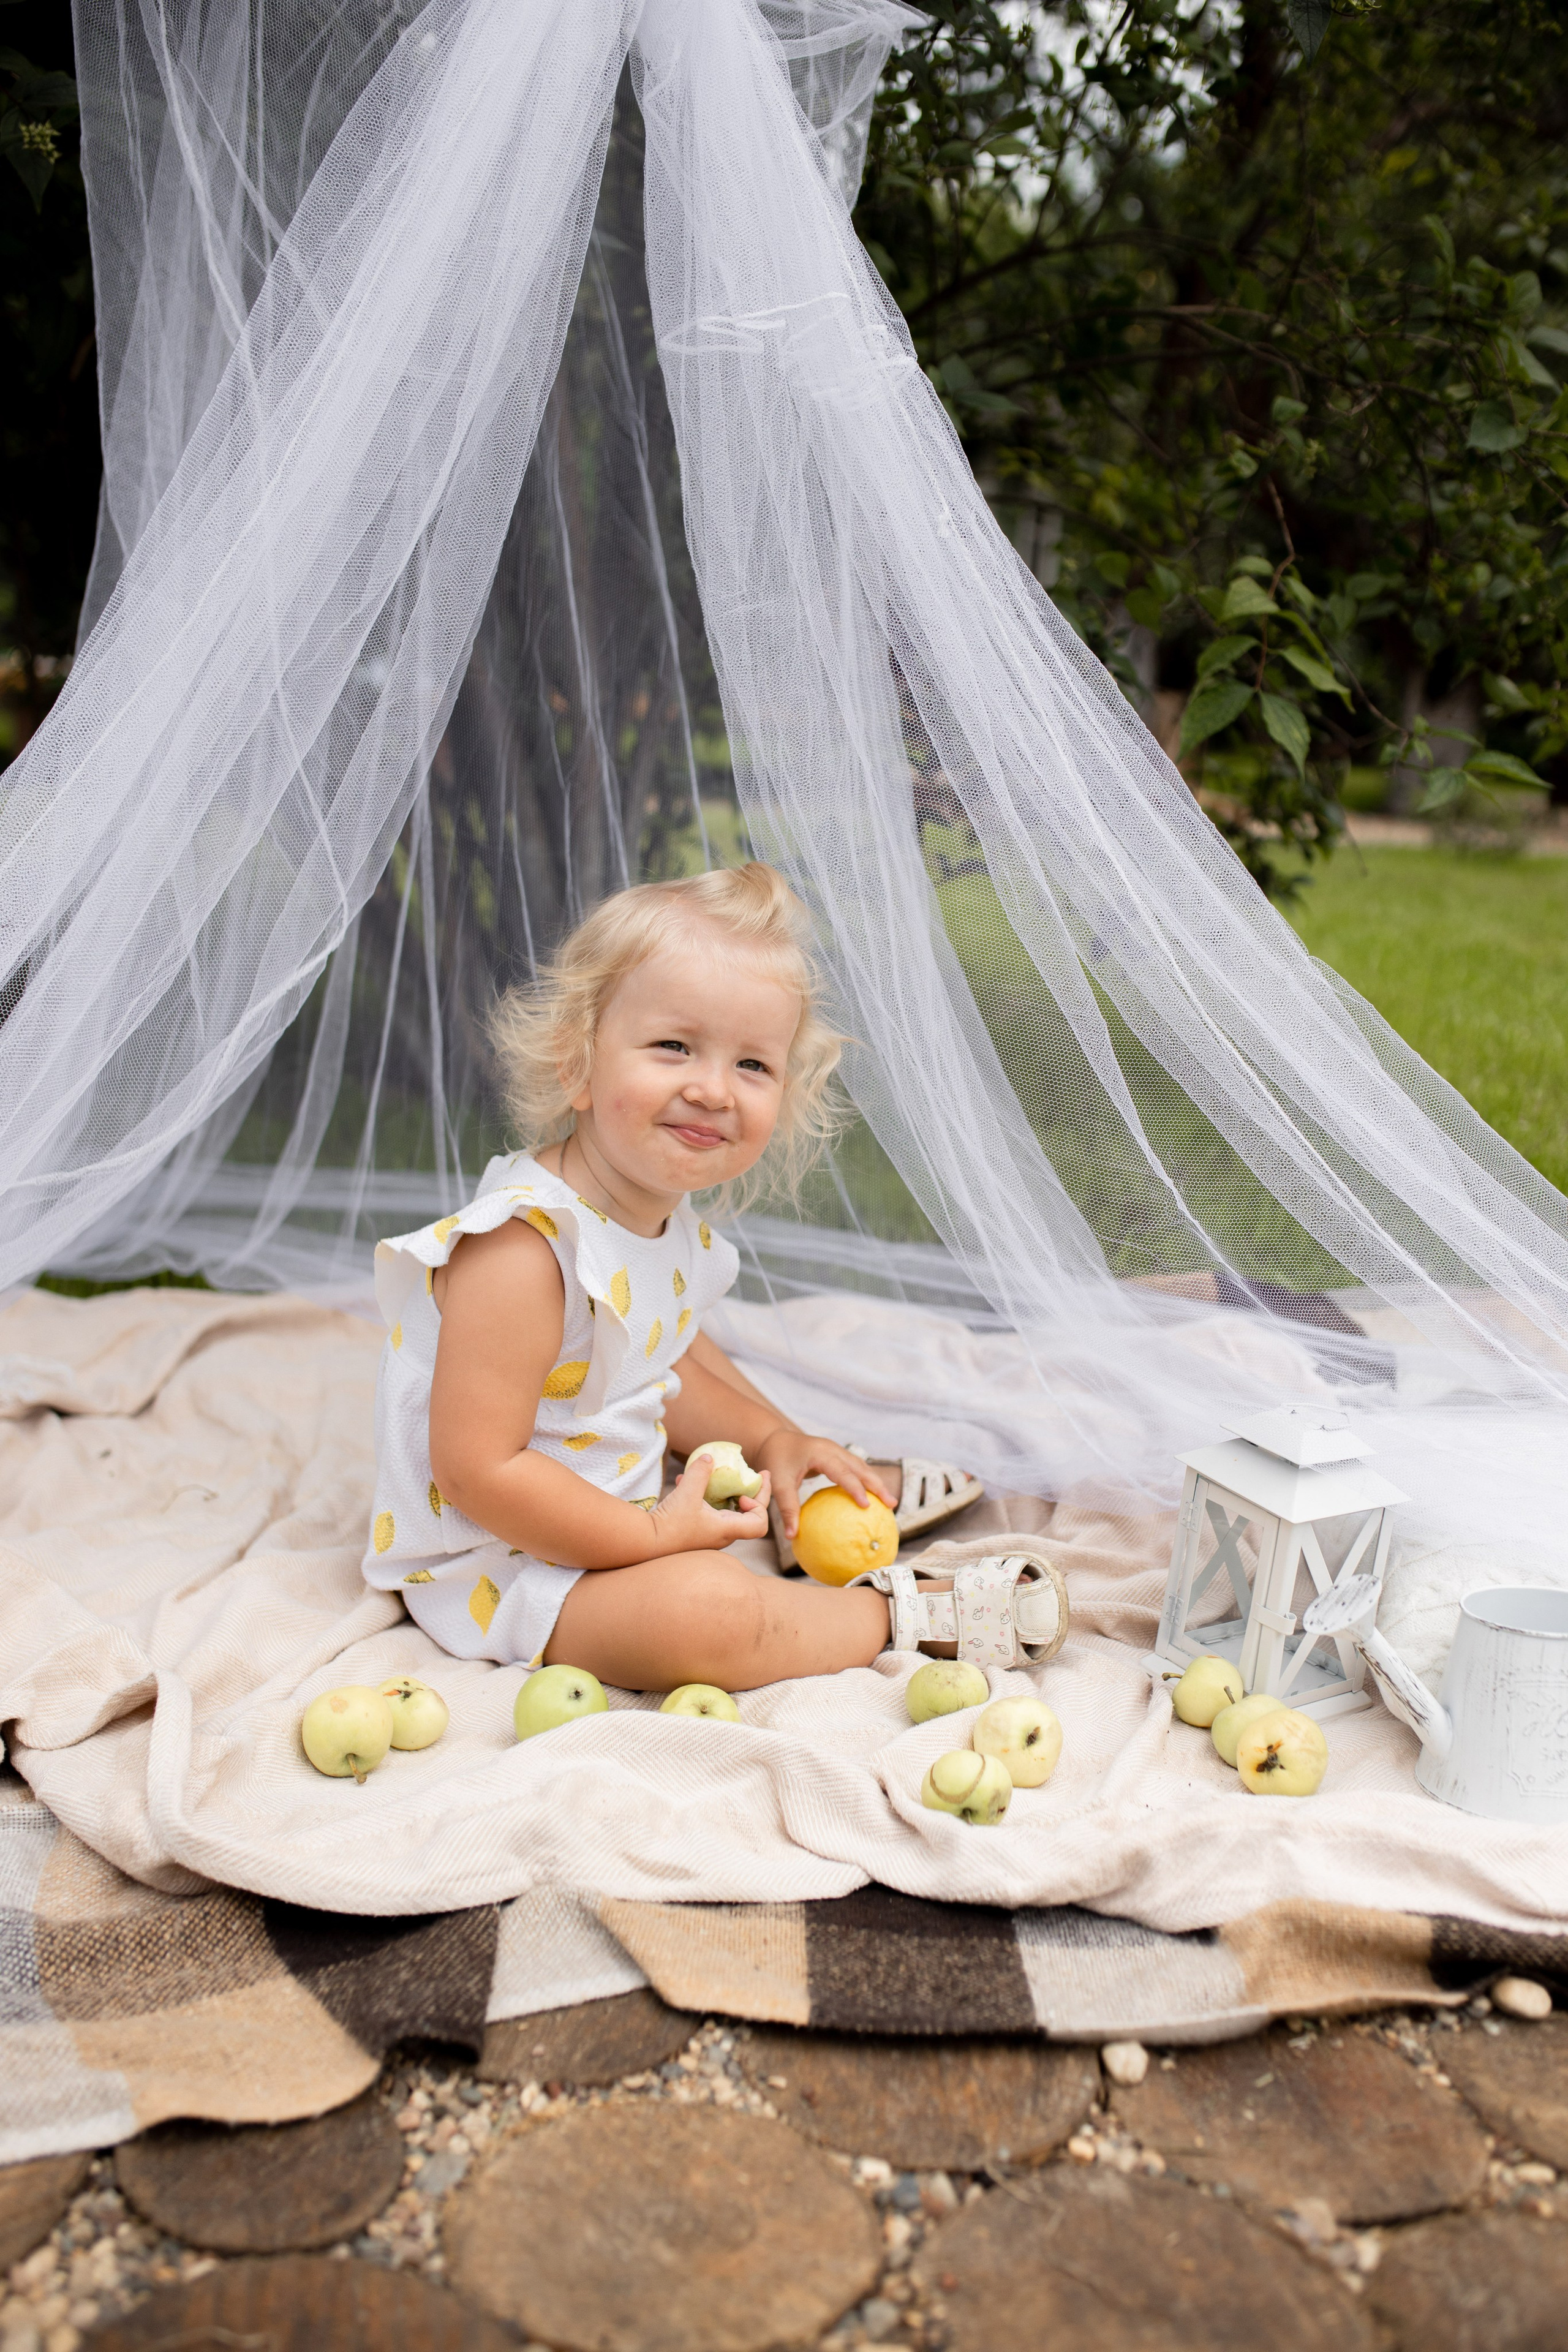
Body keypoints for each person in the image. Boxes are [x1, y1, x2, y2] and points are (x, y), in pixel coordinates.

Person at [362, 864, 1063, 1692]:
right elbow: (477, 1470)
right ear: (575, 1065)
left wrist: (774, 1437)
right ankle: (898, 1613)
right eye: (673, 1047)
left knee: (743, 1476)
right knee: (709, 1615)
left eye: (754, 1066)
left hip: (620, 1518)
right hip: (503, 1564)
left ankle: (789, 1500)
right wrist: (656, 1536)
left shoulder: (657, 1216)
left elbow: (665, 1358)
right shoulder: (524, 1250)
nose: (712, 1090)